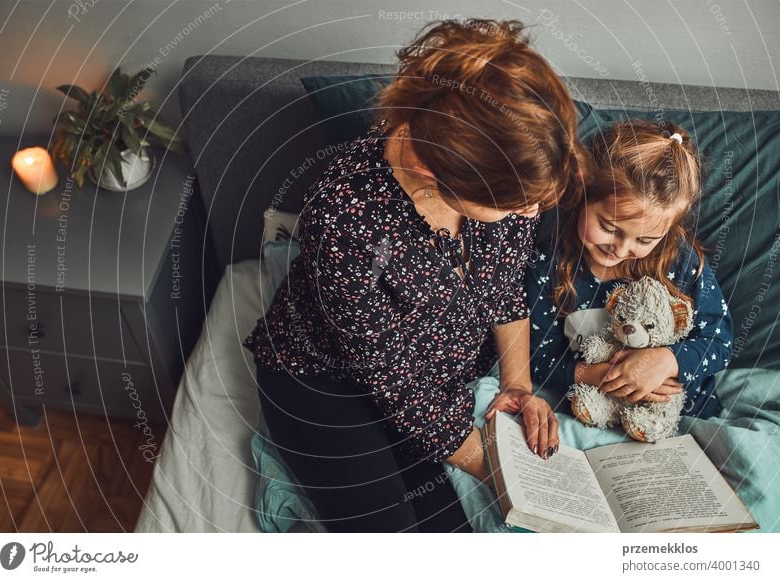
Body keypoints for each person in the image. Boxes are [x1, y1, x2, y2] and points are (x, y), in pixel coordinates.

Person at [243, 18, 588, 532]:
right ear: (432, 171)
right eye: (515, 205)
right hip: (325, 379)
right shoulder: (345, 218)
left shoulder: (507, 177)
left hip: (432, 383)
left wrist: (517, 383)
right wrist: (516, 478)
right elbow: (400, 387)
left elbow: (503, 285)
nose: (531, 212)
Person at [527, 119, 733, 423]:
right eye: (609, 228)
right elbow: (537, 357)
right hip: (590, 409)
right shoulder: (549, 265)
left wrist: (668, 361)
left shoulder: (680, 262)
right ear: (582, 194)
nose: (621, 250)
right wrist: (593, 375)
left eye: (644, 240)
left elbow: (720, 340)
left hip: (681, 416)